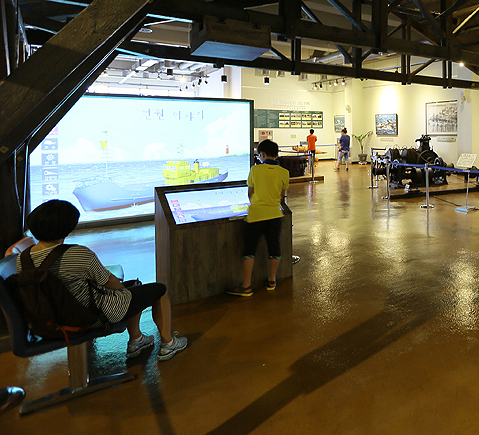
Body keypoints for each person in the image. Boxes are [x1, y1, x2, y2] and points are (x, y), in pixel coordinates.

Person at [15, 200, 187, 361]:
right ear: (66, 229)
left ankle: (137, 339)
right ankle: (168, 344)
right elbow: (110, 282)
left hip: (51, 321)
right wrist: (123, 290)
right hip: (89, 317)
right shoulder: (77, 253)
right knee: (159, 290)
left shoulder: (22, 259)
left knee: (135, 287)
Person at [228, 139, 289, 297]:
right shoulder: (284, 172)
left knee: (249, 250)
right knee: (274, 248)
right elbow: (281, 197)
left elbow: (250, 193)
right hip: (275, 215)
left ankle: (246, 286)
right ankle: (272, 280)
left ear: (262, 154)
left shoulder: (255, 170)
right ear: (276, 154)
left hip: (256, 215)